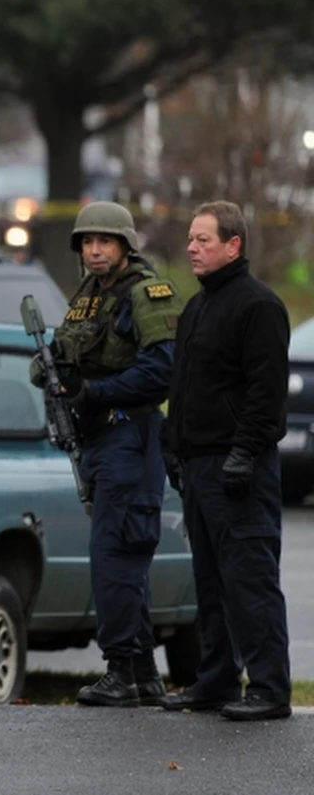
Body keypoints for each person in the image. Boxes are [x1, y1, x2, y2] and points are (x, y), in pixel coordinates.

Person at [29, 201, 182, 708]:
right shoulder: (89, 296)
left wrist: (95, 391)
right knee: (119, 558)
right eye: (87, 242)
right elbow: (68, 351)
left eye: (105, 241)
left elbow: (163, 371)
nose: (95, 250)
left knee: (115, 556)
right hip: (99, 440)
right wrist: (54, 369)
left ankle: (122, 668)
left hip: (129, 436)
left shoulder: (146, 293)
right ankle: (140, 673)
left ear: (125, 245)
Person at [161, 200, 292, 721]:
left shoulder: (258, 306)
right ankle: (214, 681)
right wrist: (173, 446)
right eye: (190, 239)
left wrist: (244, 454)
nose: (191, 248)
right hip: (198, 467)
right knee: (210, 581)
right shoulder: (197, 307)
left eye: (203, 240)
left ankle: (269, 687)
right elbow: (183, 386)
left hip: (241, 469)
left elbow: (266, 395)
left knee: (250, 579)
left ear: (233, 245)